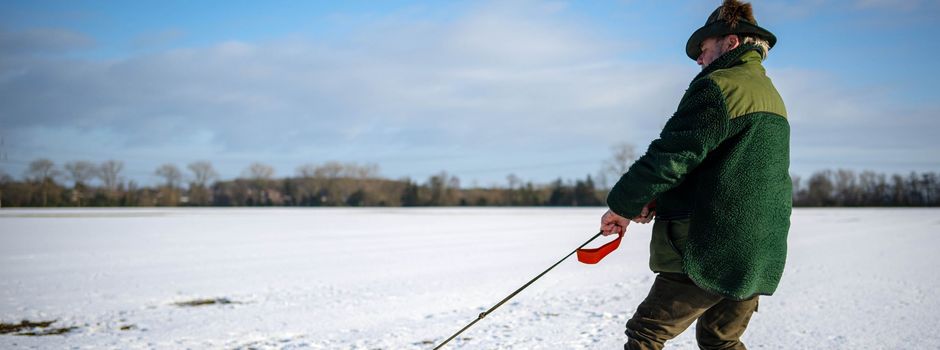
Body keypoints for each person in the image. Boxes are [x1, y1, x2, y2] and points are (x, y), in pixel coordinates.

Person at [599, 0, 790, 349]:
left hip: (713, 246)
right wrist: (659, 199)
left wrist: (623, 205)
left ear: (730, 42)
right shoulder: (769, 93)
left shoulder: (720, 86)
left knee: (646, 333)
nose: (699, 59)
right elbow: (723, 170)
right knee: (721, 340)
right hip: (759, 249)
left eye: (703, 48)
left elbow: (672, 156)